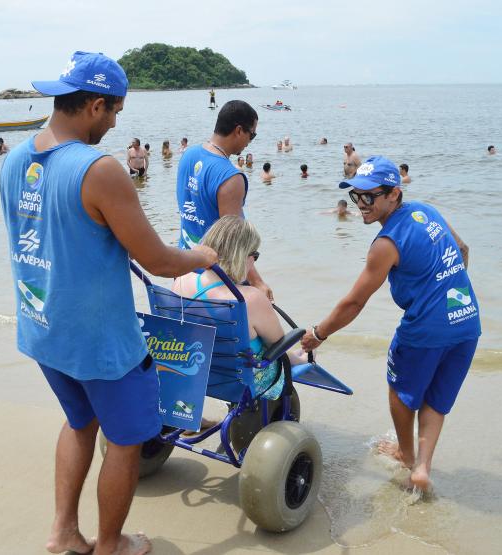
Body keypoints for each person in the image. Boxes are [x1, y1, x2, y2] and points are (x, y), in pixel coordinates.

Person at [1, 50, 217, 555]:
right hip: (102, 344)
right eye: (116, 111)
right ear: (95, 105)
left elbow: (50, 236)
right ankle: (111, 544)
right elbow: (159, 260)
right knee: (126, 438)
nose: (116, 123)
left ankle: (63, 533)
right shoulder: (99, 169)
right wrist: (201, 254)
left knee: (79, 423)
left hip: (43, 328)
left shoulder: (15, 160)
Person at [301, 155, 480, 494]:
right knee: (436, 398)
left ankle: (406, 454)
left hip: (424, 330)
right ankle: (423, 469)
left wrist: (319, 334)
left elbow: (354, 303)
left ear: (393, 194)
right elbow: (462, 249)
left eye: (369, 197)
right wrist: (446, 293)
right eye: (356, 195)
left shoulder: (385, 244)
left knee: (400, 390)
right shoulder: (427, 211)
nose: (361, 204)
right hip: (467, 323)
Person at [172, 216, 305, 395]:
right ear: (242, 256)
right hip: (243, 381)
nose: (253, 263)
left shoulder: (181, 282)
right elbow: (278, 348)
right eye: (255, 256)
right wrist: (300, 360)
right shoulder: (250, 298)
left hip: (195, 372)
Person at [174, 99, 272, 299]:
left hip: (185, 269)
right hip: (216, 281)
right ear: (238, 130)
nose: (250, 141)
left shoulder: (188, 155)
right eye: (251, 135)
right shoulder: (230, 177)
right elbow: (235, 240)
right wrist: (257, 281)